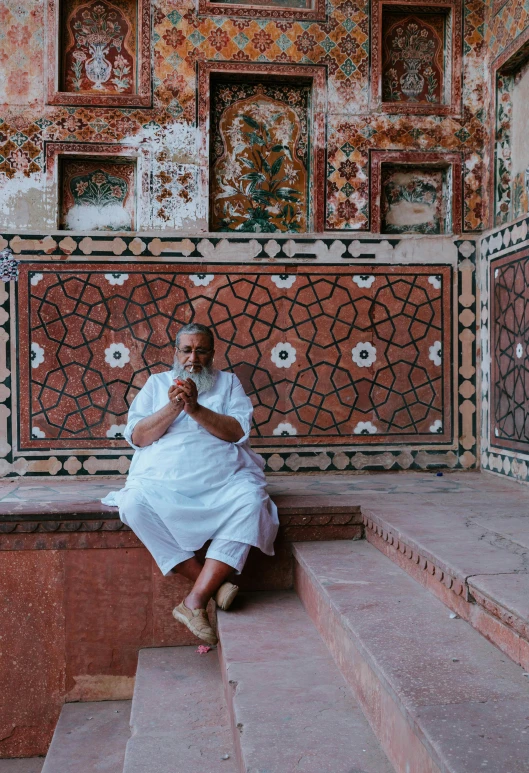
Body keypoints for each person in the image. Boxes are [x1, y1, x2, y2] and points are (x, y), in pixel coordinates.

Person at [102, 322, 279, 645]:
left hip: (224, 481)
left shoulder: (228, 384)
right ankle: (211, 587)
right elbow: (139, 437)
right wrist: (173, 406)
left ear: (212, 354)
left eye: (201, 350)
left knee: (252, 503)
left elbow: (236, 432)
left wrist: (194, 408)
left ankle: (194, 600)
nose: (193, 358)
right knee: (131, 505)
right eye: (187, 350)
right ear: (175, 353)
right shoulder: (157, 384)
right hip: (161, 482)